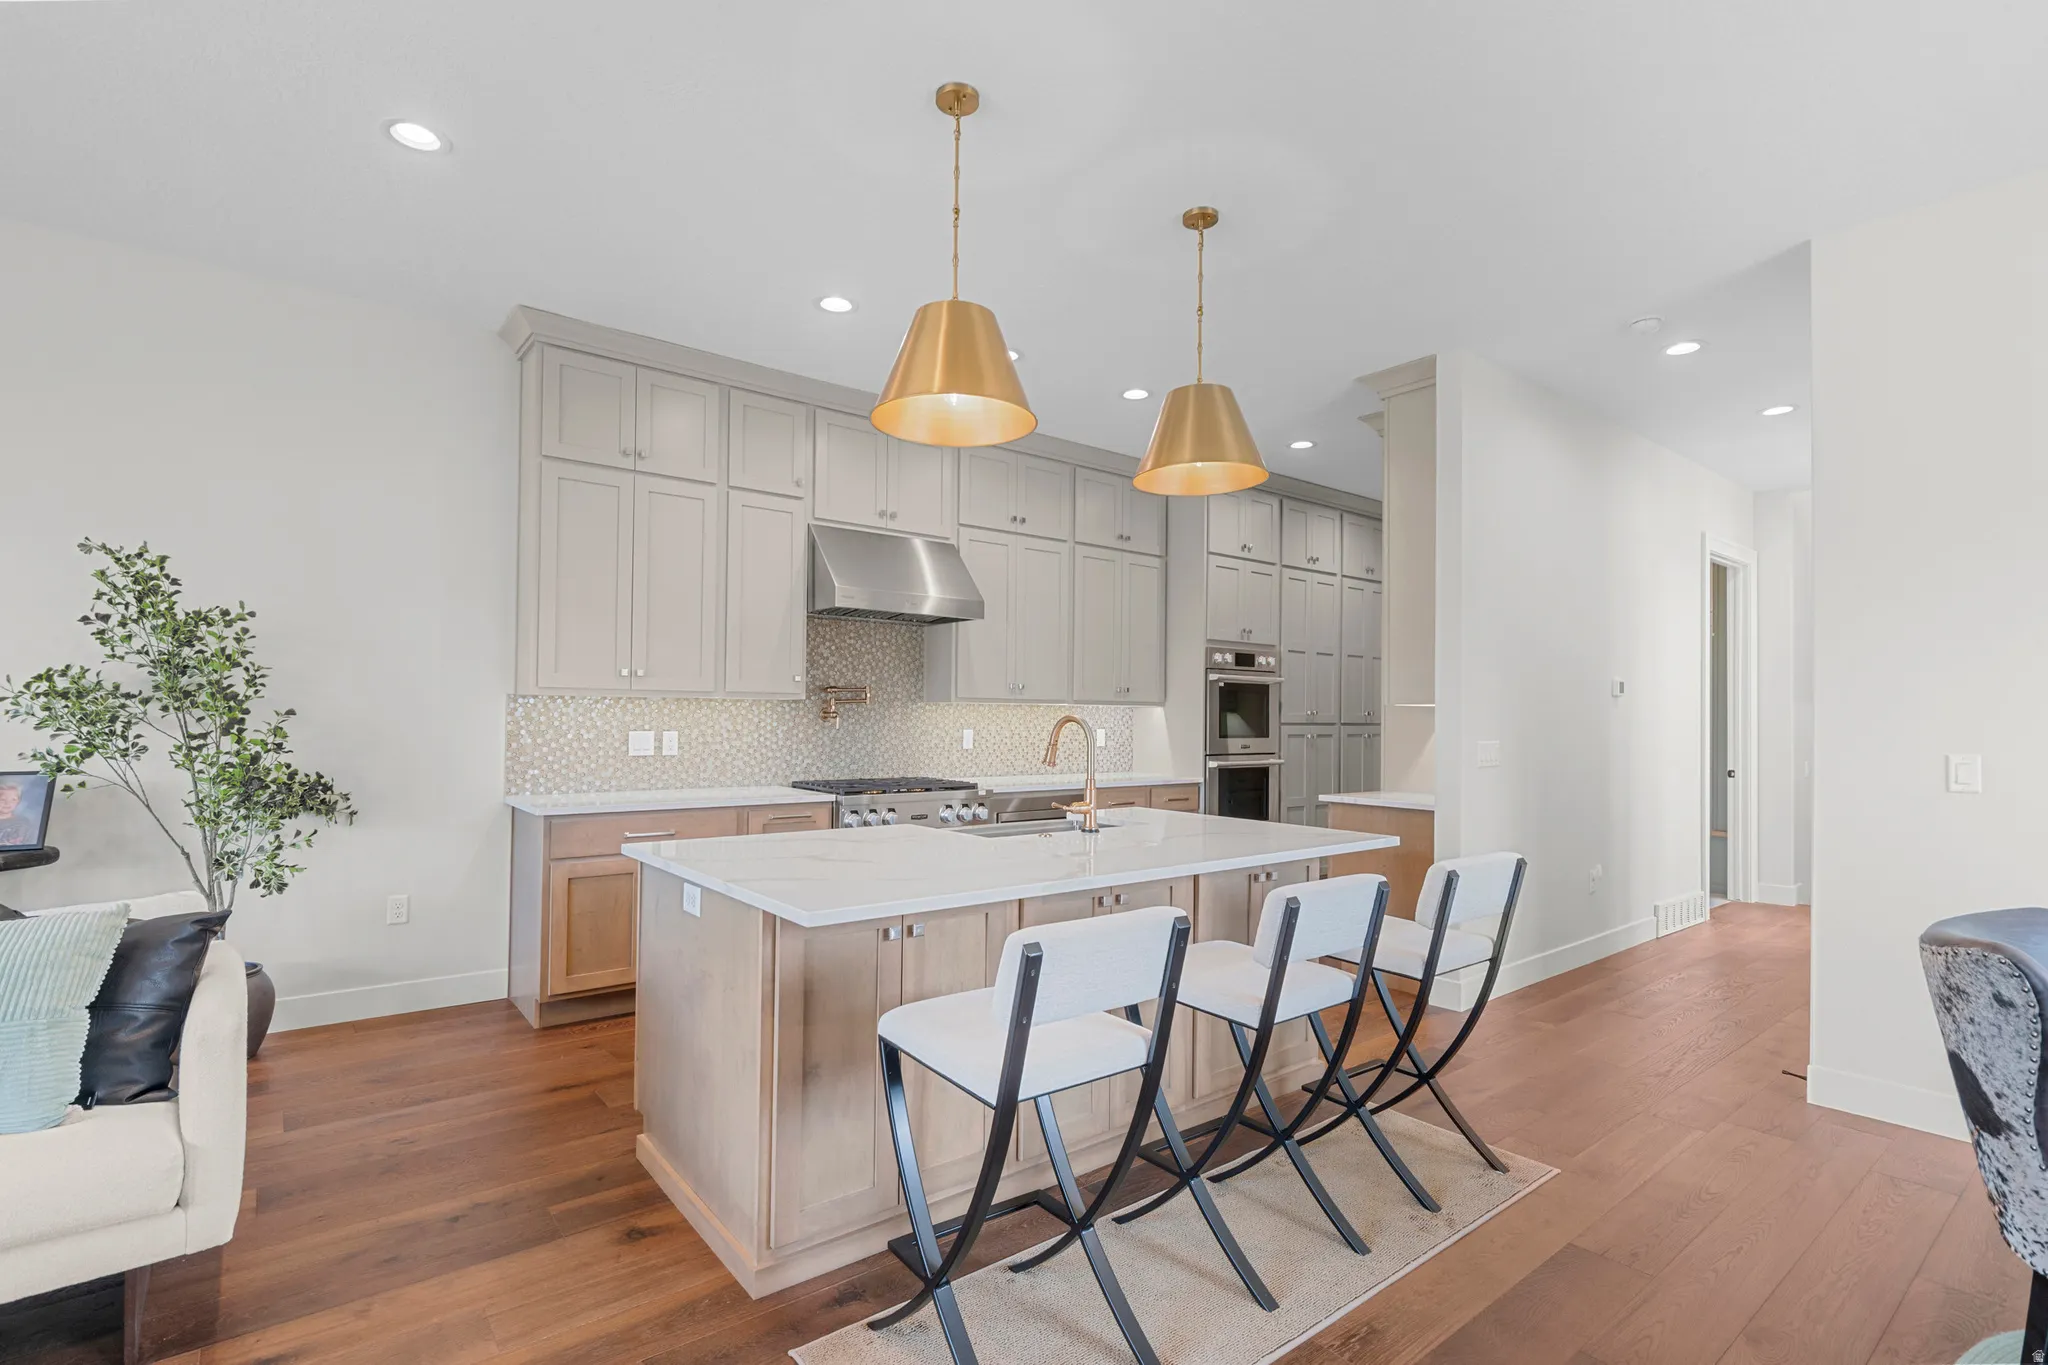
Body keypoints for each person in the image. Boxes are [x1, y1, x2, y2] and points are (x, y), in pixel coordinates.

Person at [0, 777, 50, 850]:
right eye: (2, 799)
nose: (7, 803)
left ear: (18, 801)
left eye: (13, 799)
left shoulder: (23, 823)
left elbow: (30, 844)